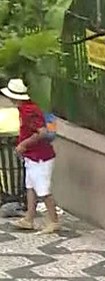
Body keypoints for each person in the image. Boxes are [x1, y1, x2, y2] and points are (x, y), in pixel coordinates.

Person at [3, 79, 59, 234]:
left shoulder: (29, 111)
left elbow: (42, 132)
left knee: (43, 189)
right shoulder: (25, 109)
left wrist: (24, 144)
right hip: (32, 156)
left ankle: (54, 221)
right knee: (31, 187)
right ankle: (29, 218)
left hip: (39, 156)